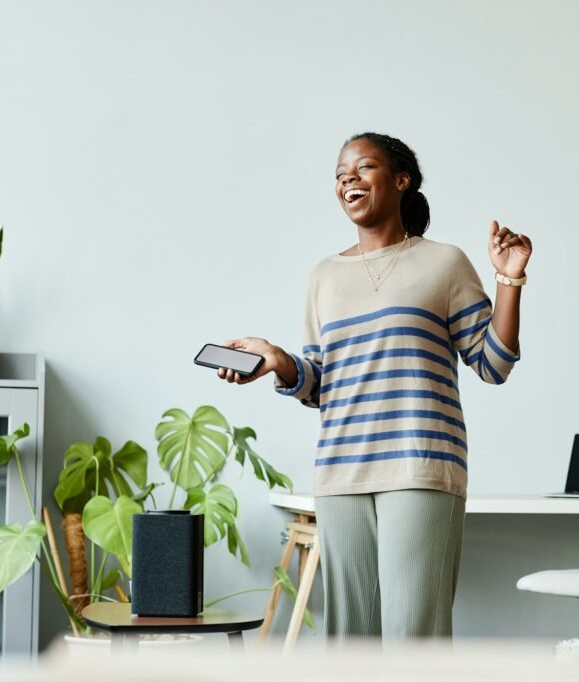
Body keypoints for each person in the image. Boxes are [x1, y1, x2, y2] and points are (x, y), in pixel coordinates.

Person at [217, 132, 532, 640]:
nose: (348, 179)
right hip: (341, 471)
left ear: (400, 180)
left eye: (363, 168)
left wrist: (509, 281)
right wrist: (278, 362)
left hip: (420, 467)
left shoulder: (444, 263)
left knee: (414, 639)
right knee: (350, 642)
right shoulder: (324, 276)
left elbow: (492, 363)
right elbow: (320, 381)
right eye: (341, 174)